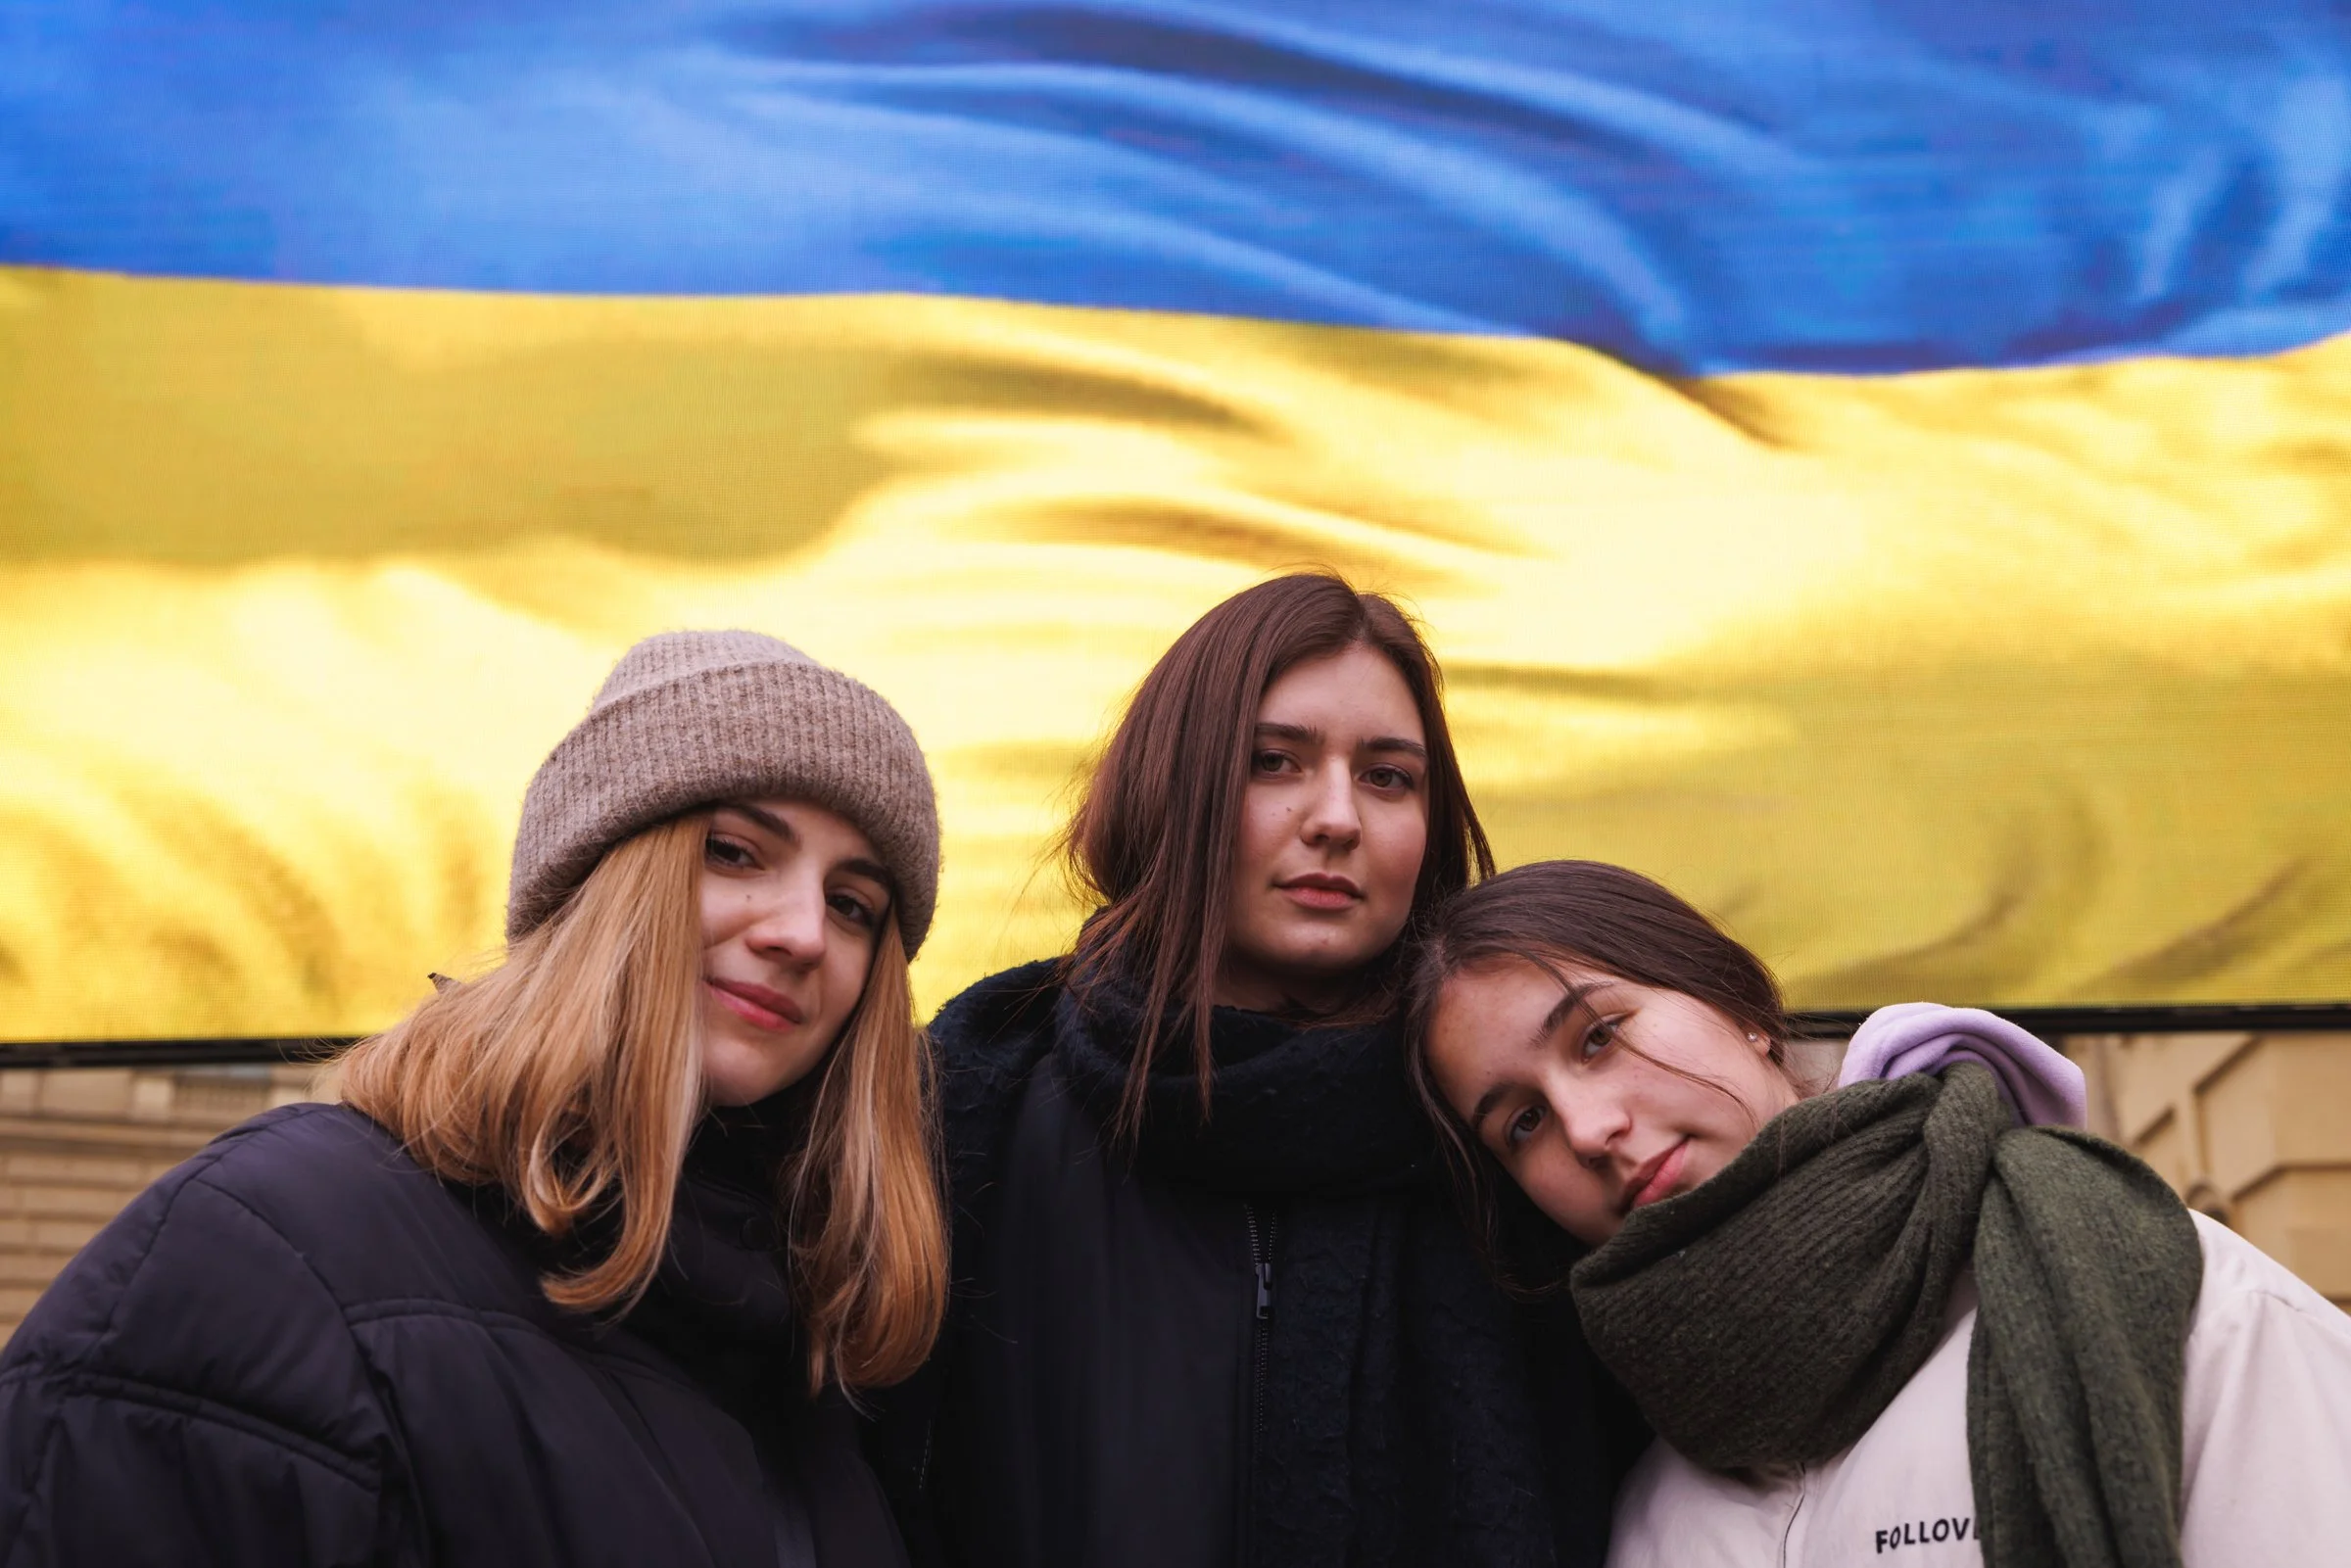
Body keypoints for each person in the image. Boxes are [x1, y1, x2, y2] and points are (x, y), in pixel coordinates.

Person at [0, 630, 949, 1567]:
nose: (802, 932)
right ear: (595, 882)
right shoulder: (272, 1242)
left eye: (853, 904)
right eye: (735, 851)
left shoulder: (812, 1365)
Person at [878, 574, 1624, 1568]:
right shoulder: (975, 1108)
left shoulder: (1514, 1127)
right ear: (1171, 780)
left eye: (1389, 777)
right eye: (1275, 761)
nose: (1337, 818)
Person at [1408, 859, 2351, 1568]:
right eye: (1521, 1121)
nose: (1585, 1127)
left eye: (1600, 1035)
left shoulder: (2172, 1302)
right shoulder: (1641, 1479)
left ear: (1739, 1004)